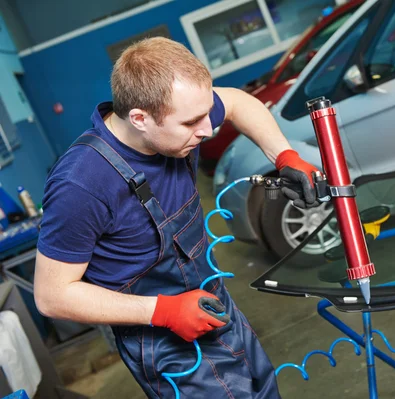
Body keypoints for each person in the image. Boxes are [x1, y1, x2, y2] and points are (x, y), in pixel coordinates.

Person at [33, 37, 320, 398]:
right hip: (163, 342)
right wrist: (163, 311)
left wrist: (284, 155)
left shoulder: (180, 115)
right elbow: (51, 295)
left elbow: (235, 102)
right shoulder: (81, 183)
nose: (206, 129)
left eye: (205, 114)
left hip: (213, 303)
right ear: (139, 118)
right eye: (191, 122)